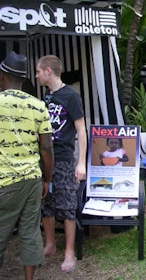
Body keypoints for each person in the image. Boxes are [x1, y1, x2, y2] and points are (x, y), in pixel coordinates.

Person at [0, 51, 54, 280]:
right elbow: (47, 149)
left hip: (4, 181)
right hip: (32, 179)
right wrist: (47, 179)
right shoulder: (38, 106)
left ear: (2, 75)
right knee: (30, 231)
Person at [36, 55, 87, 273]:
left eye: (38, 71)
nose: (36, 75)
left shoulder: (71, 96)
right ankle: (50, 244)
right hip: (44, 159)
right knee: (45, 202)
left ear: (48, 71)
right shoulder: (46, 97)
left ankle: (69, 252)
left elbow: (81, 130)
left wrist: (81, 162)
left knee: (67, 206)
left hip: (65, 159)